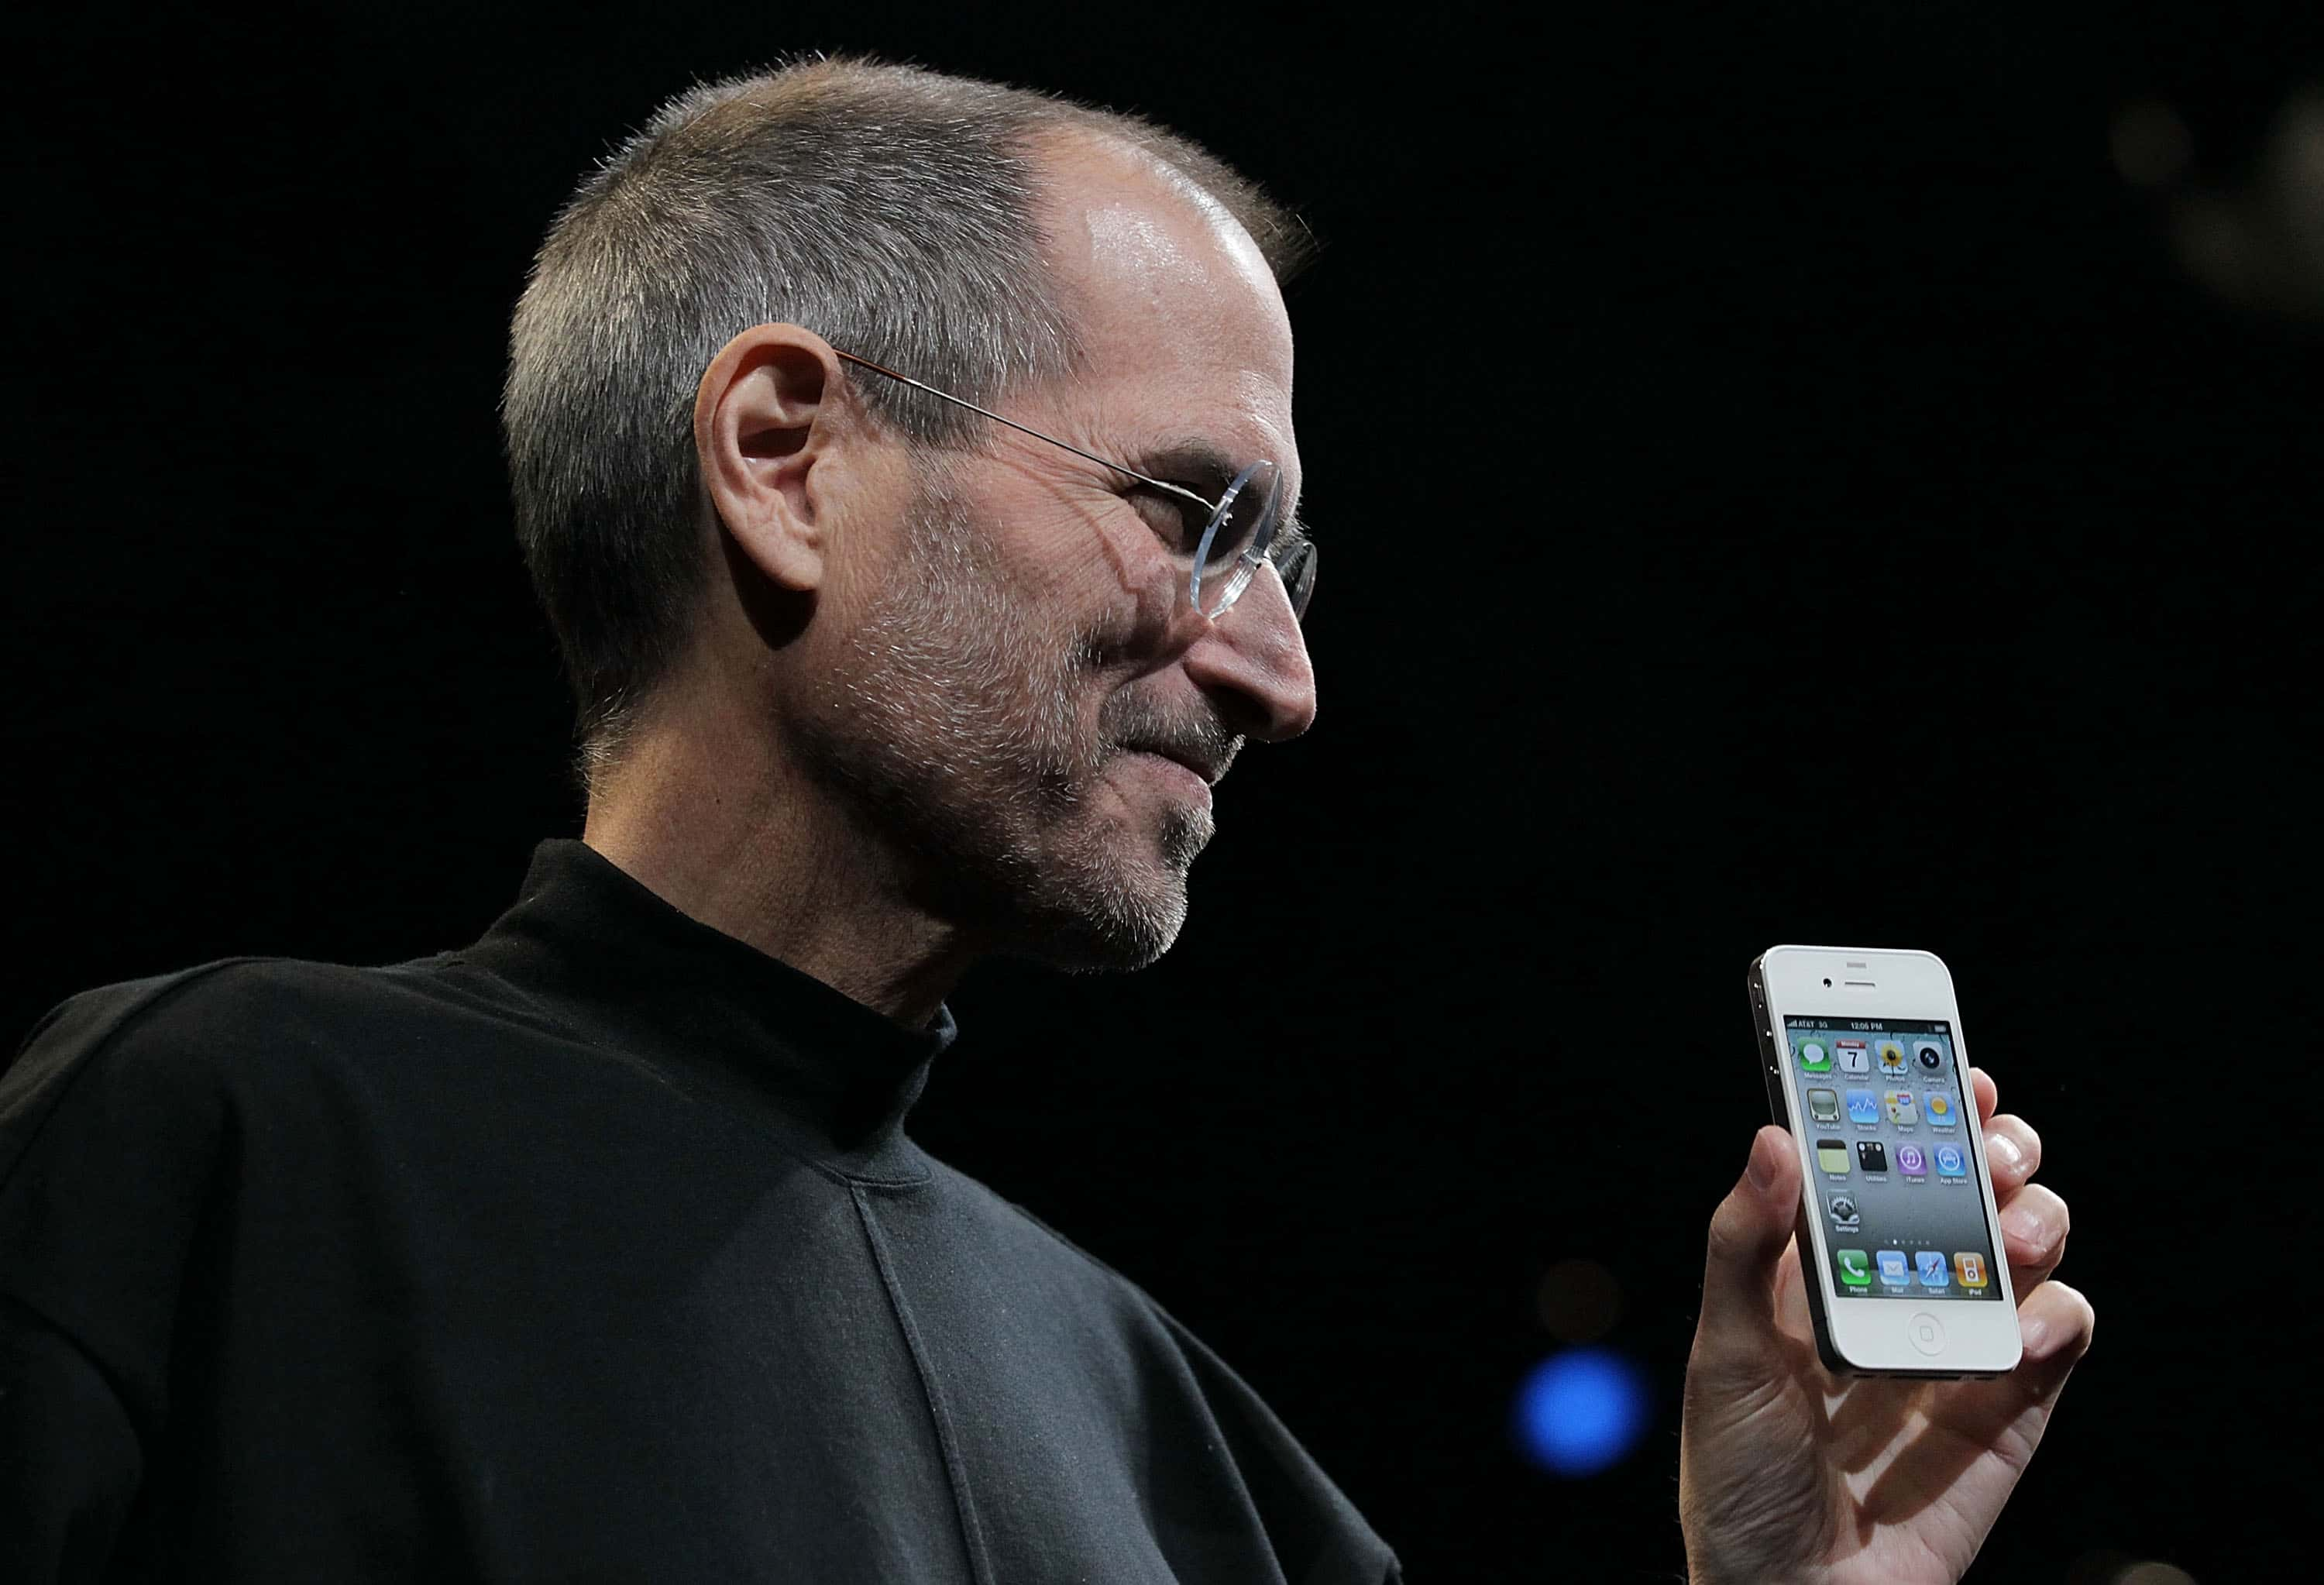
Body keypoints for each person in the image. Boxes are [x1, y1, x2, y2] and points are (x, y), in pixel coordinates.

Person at [0, 57, 2091, 1583]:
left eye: (1290, 567)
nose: (1283, 675)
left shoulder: (1201, 1457)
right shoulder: (209, 1148)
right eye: (1198, 517)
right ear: (786, 456)